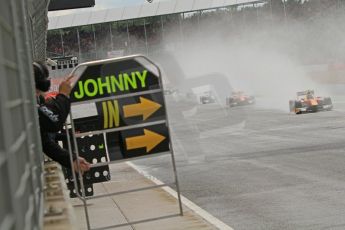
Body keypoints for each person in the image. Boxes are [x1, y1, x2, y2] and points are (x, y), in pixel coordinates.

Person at [33, 61, 90, 173]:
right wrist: (63, 95)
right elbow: (54, 121)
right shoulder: (27, 104)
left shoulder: (34, 102)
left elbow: (45, 142)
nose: (38, 96)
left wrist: (72, 160)